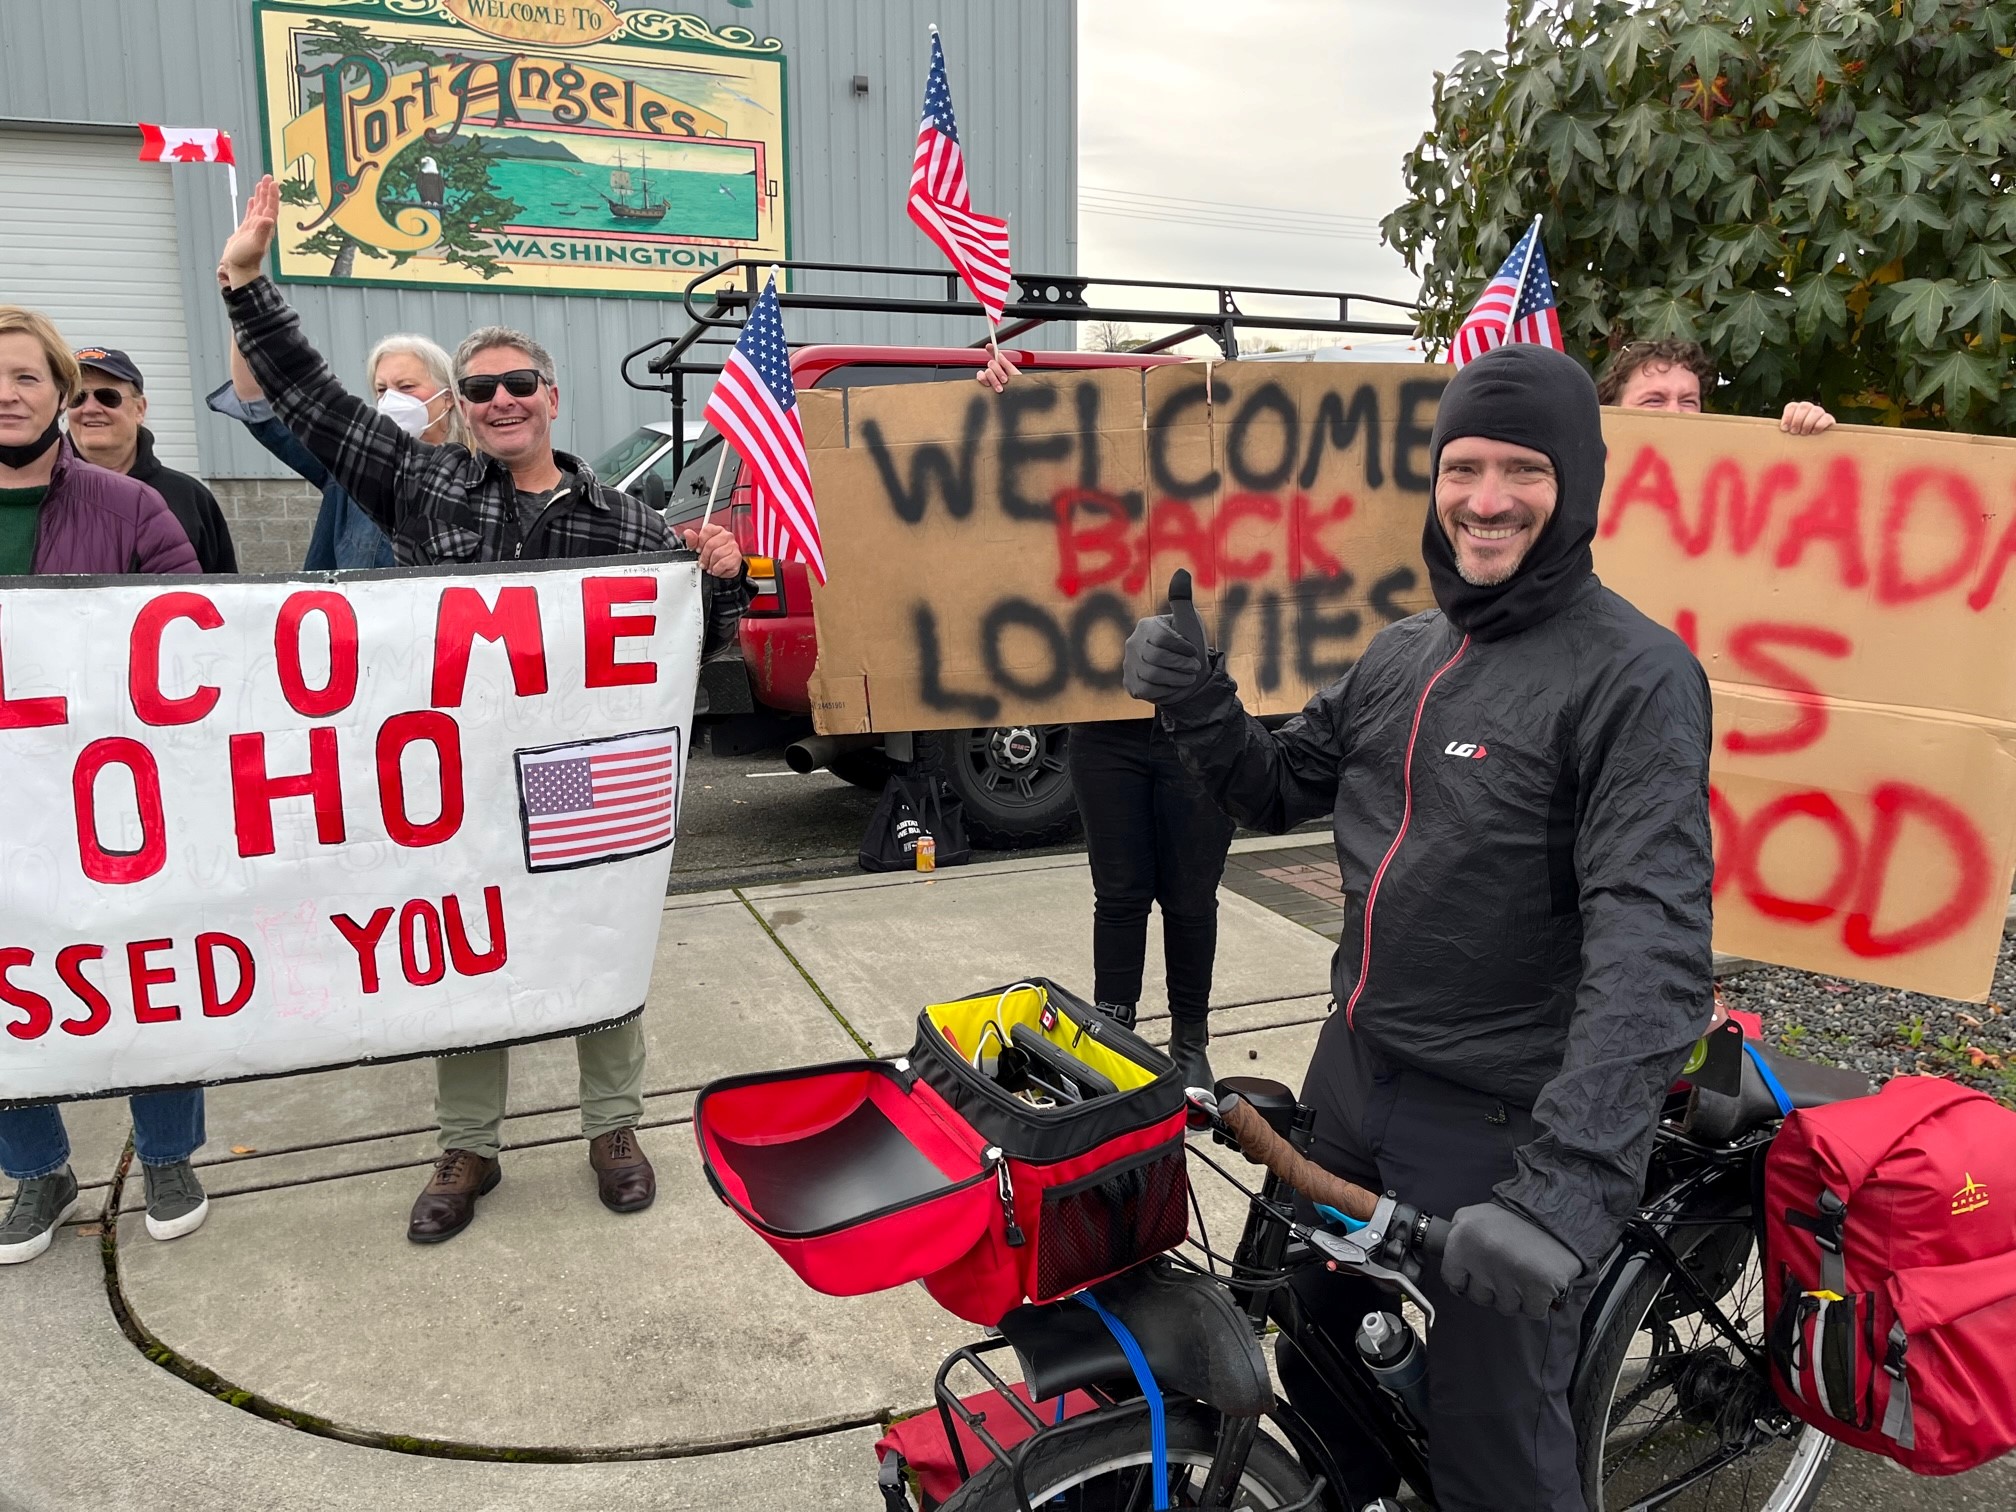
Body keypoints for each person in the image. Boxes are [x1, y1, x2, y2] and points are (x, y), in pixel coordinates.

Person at [1122, 343, 1714, 1511]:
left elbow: (1651, 944)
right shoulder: (1407, 649)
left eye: (1523, 471)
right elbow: (1280, 784)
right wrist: (1197, 698)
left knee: (1498, 1455)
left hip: (1499, 1126)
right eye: (1464, 467)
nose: (1486, 499)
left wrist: (1568, 1189)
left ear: (1577, 486)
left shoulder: (1637, 675)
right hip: (1350, 1080)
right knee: (1322, 1361)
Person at [214, 176, 751, 1244]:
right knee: (464, 948)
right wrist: (245, 283)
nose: (500, 401)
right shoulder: (422, 486)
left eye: (518, 385)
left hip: (579, 781)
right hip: (453, 778)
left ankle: (611, 1127)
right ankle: (469, 1146)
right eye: (479, 390)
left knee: (600, 940)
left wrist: (723, 576)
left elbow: (700, 640)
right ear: (459, 407)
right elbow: (317, 403)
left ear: (553, 397)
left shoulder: (629, 520)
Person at [0, 307, 207, 1265]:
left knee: (147, 966)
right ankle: (37, 1170)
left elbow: (200, 637)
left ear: (59, 395)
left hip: (112, 795)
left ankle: (167, 1153)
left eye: (27, 377)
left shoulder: (132, 510)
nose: (7, 393)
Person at [975, 351, 1229, 1089]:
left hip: (1202, 725)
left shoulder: (1219, 487)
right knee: (1119, 892)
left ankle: (1190, 1041)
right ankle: (1114, 1030)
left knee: (1190, 896)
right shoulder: (1089, 490)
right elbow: (1023, 488)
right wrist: (1012, 404)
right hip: (1104, 725)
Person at [209, 332, 470, 569]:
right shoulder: (352, 464)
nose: (391, 399)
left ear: (448, 397)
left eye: (406, 387)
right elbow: (257, 403)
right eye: (381, 390)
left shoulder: (480, 478)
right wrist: (240, 301)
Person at [66, 346, 237, 573]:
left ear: (139, 409)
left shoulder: (189, 497)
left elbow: (223, 594)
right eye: (77, 398)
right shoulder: (42, 495)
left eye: (108, 397)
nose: (89, 408)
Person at [1597, 336, 1835, 435]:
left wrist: (1810, 439)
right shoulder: (1573, 485)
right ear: (1611, 409)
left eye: (1688, 401)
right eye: (1654, 400)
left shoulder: (1734, 475)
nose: (1675, 413)